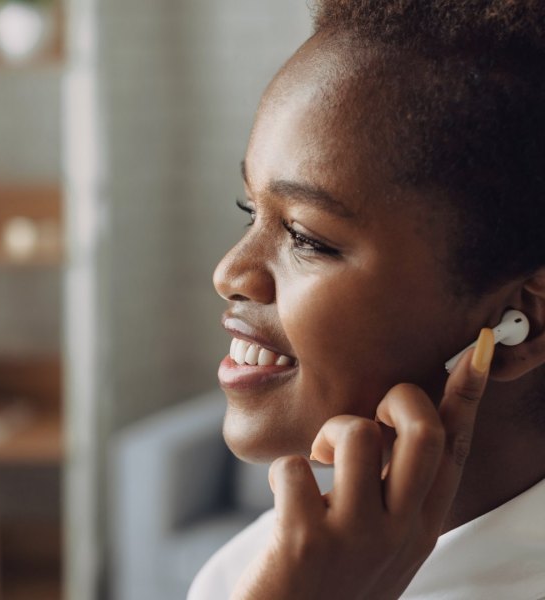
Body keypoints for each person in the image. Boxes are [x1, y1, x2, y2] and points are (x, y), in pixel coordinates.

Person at [188, 1, 545, 598]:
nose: (230, 271)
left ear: (522, 324)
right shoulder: (262, 565)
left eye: (305, 238)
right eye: (250, 211)